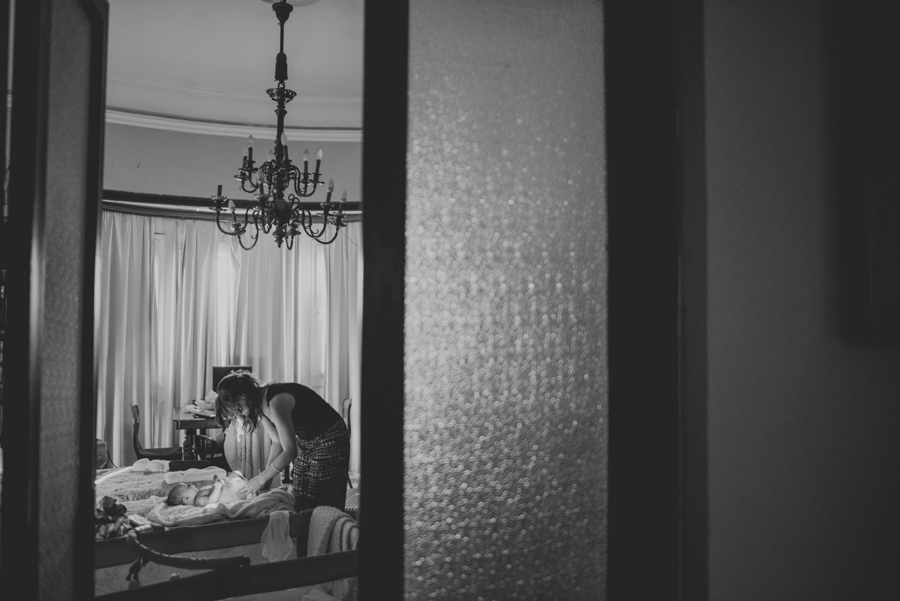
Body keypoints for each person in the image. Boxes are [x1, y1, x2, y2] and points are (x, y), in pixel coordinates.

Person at [214, 371, 350, 512]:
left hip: (330, 434)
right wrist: (264, 483)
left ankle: (327, 526)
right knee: (299, 495)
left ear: (243, 396)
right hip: (306, 439)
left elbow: (290, 452)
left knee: (319, 496)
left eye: (236, 407)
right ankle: (304, 529)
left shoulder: (277, 401)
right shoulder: (258, 406)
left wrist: (259, 479)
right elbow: (277, 441)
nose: (238, 413)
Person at [165, 475, 248, 507]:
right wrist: (217, 488)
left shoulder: (199, 493)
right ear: (186, 498)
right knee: (246, 489)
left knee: (236, 474)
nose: (190, 483)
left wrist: (214, 482)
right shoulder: (198, 501)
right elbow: (211, 501)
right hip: (235, 494)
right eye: (188, 486)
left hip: (232, 487)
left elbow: (209, 490)